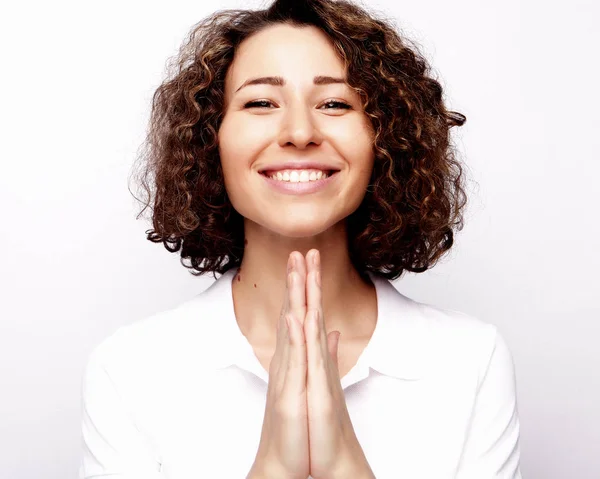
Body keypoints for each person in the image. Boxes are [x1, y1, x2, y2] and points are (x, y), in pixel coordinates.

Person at [79, 0, 523, 477]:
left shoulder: (470, 360)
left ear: (384, 137)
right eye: (260, 103)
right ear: (212, 140)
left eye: (334, 103)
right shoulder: (128, 369)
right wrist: (273, 466)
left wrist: (342, 463)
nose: (298, 132)